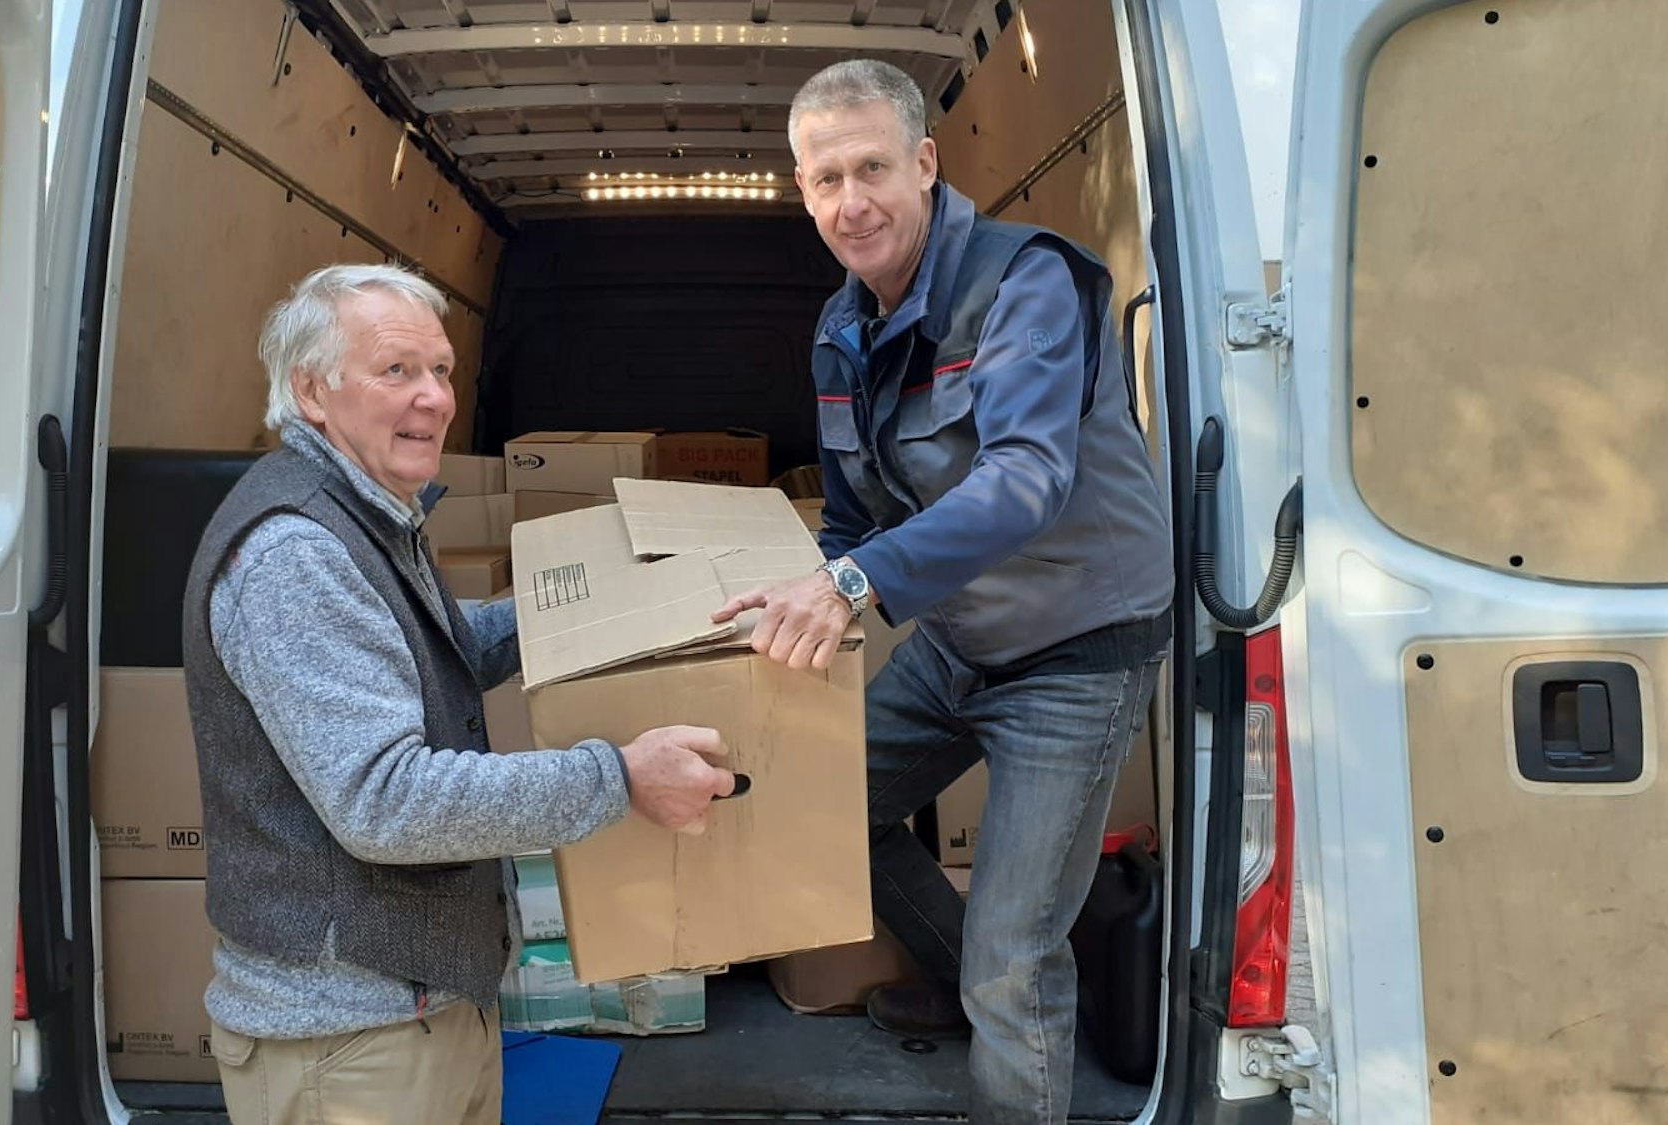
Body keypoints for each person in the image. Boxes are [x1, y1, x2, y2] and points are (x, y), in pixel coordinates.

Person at [713, 61, 1173, 1123]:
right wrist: (795, 605)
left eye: (871, 167)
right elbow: (849, 514)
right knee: (822, 814)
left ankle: (1001, 1013)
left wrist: (852, 585)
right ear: (801, 191)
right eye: (824, 179)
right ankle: (979, 1000)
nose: (850, 201)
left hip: (1075, 649)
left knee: (1014, 955)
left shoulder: (1024, 285)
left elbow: (1024, 483)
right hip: (961, 640)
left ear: (924, 163)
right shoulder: (841, 328)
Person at [182, 262, 738, 1125]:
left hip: (423, 1012)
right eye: (396, 370)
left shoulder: (369, 514)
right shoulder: (298, 555)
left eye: (442, 370)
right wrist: (619, 778)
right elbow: (385, 800)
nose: (434, 398)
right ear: (311, 390)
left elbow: (434, 646)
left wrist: (594, 607)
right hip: (351, 1040)